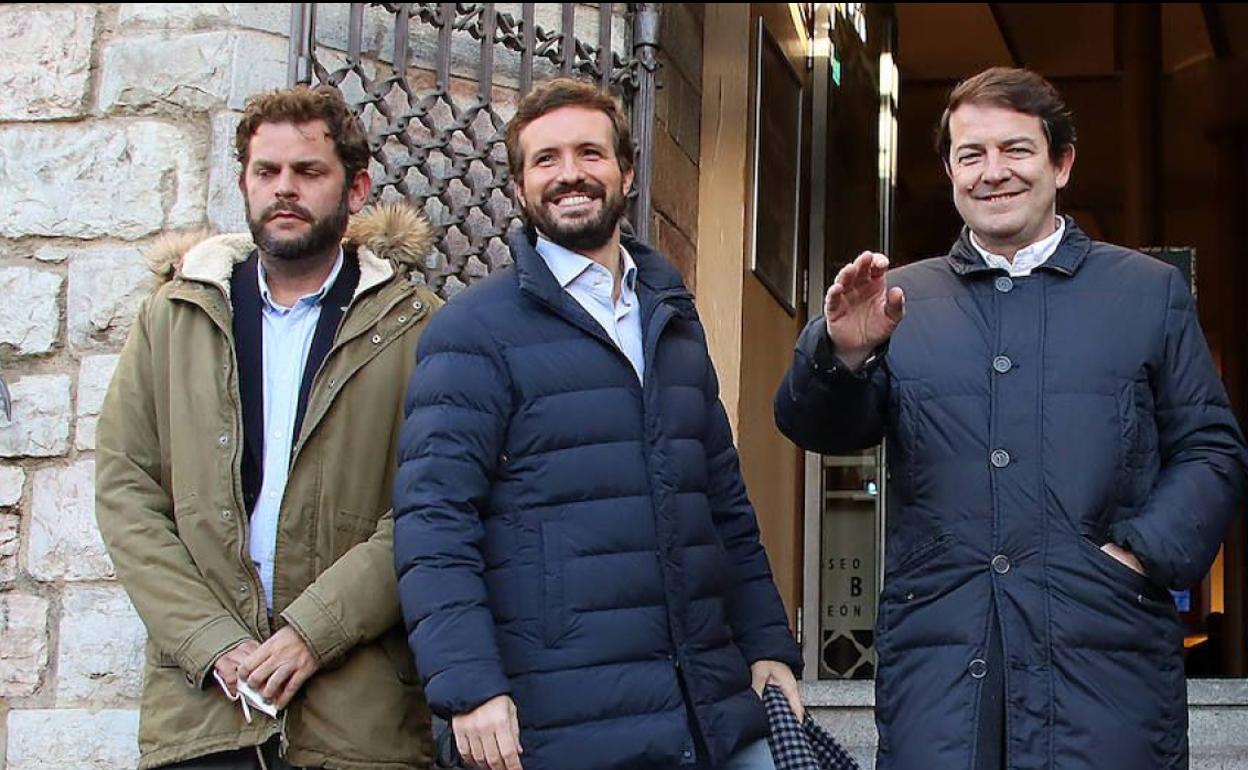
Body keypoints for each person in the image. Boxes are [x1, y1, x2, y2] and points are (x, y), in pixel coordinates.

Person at [774, 67, 1248, 770]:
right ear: (950, 170)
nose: (993, 172)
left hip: (1102, 659)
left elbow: (1211, 449)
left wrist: (1137, 557)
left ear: (1062, 162)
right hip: (944, 663)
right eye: (972, 155)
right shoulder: (902, 298)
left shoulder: (1148, 292)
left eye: (1016, 150)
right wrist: (840, 350)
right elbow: (821, 430)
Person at [392, 77, 802, 770]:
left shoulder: (670, 318)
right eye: (545, 159)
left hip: (702, 706)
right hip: (558, 721)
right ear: (520, 189)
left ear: (627, 172)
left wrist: (767, 644)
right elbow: (434, 522)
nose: (570, 174)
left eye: (590, 152)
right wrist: (470, 687)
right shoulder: (472, 330)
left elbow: (723, 505)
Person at [95, 84, 441, 770]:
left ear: (355, 188)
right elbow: (125, 490)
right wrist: (211, 643)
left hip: (357, 720)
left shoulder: (418, 326)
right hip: (205, 716)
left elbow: (432, 508)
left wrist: (314, 633)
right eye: (267, 172)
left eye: (308, 172)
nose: (285, 189)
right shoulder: (174, 317)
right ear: (245, 181)